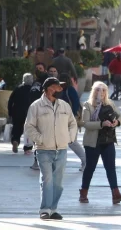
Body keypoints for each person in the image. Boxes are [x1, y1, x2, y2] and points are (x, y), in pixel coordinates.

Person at [24, 77, 77, 220]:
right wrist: (40, 139)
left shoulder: (64, 105)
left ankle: (53, 209)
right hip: (43, 150)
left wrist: (70, 138)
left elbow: (73, 123)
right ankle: (45, 209)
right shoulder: (36, 106)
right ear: (48, 89)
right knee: (47, 179)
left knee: (58, 183)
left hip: (61, 149)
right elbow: (29, 126)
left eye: (60, 88)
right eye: (57, 87)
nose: (60, 90)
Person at [79, 81, 121, 204]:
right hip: (93, 142)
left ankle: (116, 194)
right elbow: (85, 123)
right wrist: (101, 124)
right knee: (90, 168)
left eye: (103, 90)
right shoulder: (88, 105)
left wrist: (117, 122)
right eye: (97, 89)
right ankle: (83, 193)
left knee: (111, 168)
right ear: (93, 91)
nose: (100, 92)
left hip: (108, 140)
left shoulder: (110, 103)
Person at [59, 73, 86, 171]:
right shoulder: (61, 90)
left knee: (72, 142)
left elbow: (75, 104)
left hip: (70, 120)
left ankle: (85, 161)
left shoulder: (69, 90)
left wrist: (71, 117)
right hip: (62, 119)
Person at [29, 63, 49, 170]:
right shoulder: (35, 82)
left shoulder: (46, 81)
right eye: (37, 68)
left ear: (45, 70)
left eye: (40, 68)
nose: (38, 70)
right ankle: (37, 160)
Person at [7, 73, 34, 154]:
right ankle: (27, 148)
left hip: (17, 112)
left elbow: (10, 101)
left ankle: (15, 141)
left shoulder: (17, 89)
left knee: (17, 128)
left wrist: (10, 112)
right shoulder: (33, 90)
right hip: (29, 113)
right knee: (28, 130)